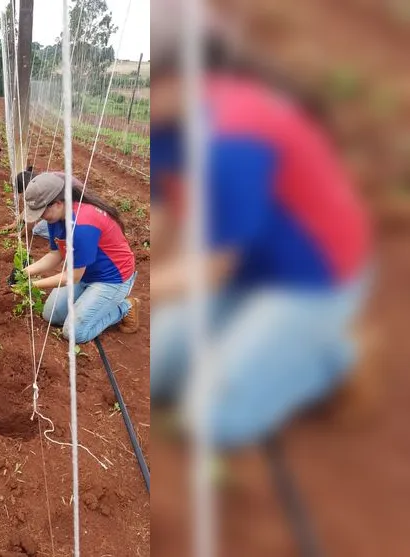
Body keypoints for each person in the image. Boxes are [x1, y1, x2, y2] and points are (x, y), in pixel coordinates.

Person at [149, 12, 373, 448]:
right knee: (158, 370)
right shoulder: (165, 126)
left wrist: (144, 287)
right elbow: (160, 212)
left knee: (213, 417)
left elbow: (211, 267)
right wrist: (147, 274)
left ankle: (334, 352)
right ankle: (251, 342)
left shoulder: (234, 136)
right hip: (243, 269)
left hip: (311, 278)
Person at [19, 172, 141, 343]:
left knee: (73, 333)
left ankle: (125, 307)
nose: (39, 217)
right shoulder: (55, 219)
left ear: (58, 203)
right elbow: (55, 255)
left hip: (112, 279)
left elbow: (73, 276)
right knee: (51, 315)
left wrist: (31, 285)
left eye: (41, 211)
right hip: (84, 272)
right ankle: (89, 299)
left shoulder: (82, 225)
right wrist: (25, 273)